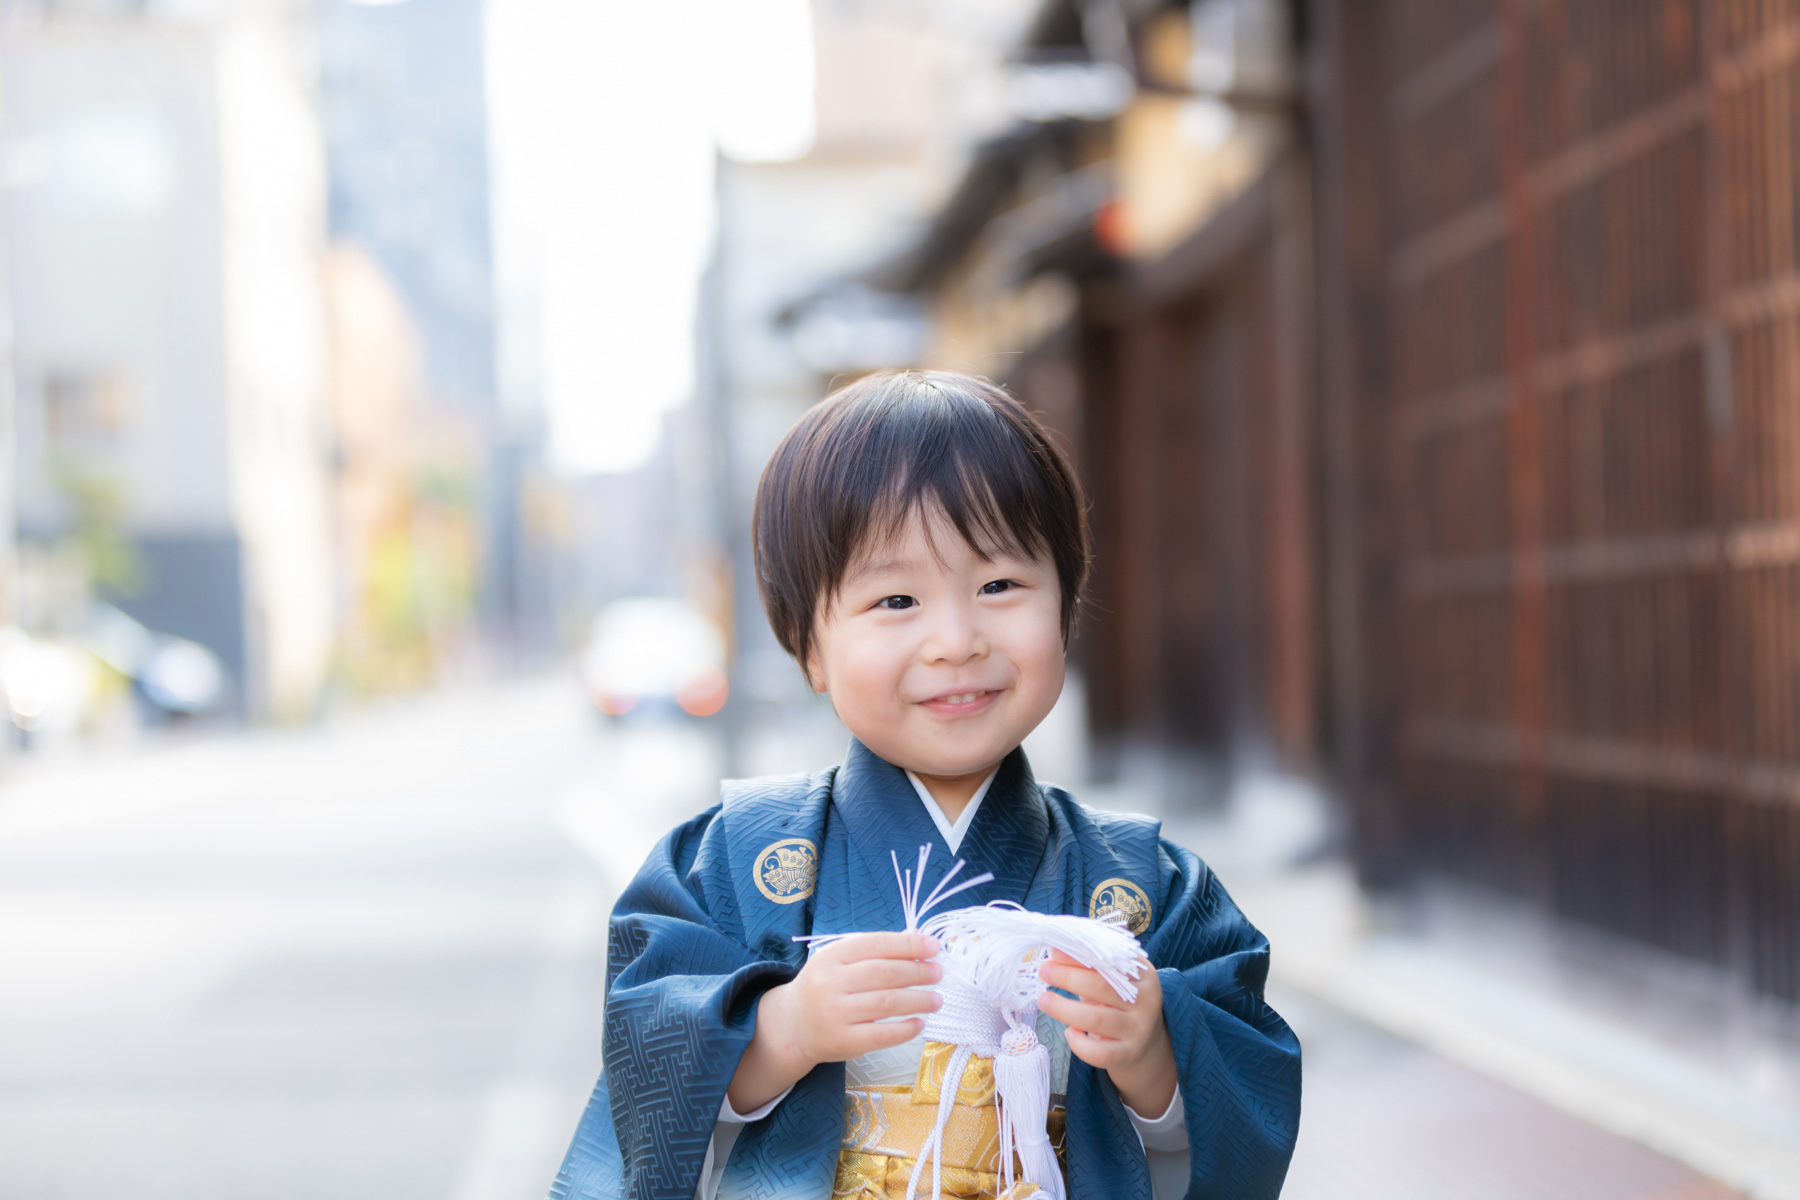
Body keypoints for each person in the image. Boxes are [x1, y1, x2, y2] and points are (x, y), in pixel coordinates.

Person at [549, 370, 1301, 1200]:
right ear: (807, 645)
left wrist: (1153, 1053)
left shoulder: (1143, 881)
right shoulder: (735, 860)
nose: (955, 639)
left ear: (1067, 606)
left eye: (1000, 586)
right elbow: (645, 1067)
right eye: (897, 598)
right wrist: (782, 1032)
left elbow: (1247, 1102)